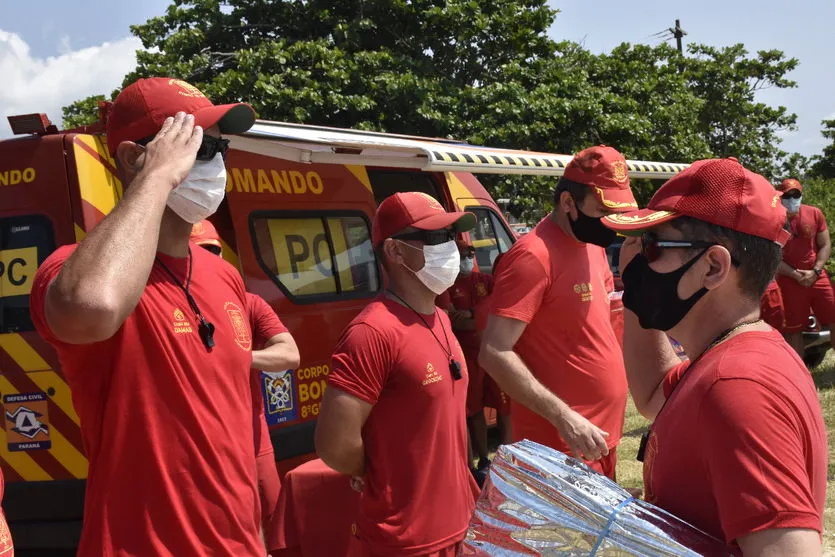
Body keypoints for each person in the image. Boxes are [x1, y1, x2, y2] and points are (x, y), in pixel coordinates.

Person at [29, 77, 265, 556]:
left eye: (219, 146)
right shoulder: (71, 269)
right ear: (134, 158)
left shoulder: (224, 276)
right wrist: (157, 178)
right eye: (196, 145)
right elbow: (90, 308)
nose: (216, 160)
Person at [603, 157, 826, 554]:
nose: (635, 262)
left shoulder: (737, 387)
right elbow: (655, 393)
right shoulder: (729, 358)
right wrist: (640, 293)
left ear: (713, 266)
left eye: (652, 246)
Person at [315, 192, 479, 557]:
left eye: (450, 236)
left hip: (457, 526)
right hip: (405, 542)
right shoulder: (372, 332)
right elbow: (334, 444)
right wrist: (381, 470)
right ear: (395, 251)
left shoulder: (439, 319)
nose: (451, 247)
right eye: (436, 238)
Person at [479, 145, 634, 479]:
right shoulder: (533, 256)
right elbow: (494, 352)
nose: (611, 222)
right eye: (603, 209)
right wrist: (566, 418)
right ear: (568, 203)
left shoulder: (593, 245)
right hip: (563, 442)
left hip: (600, 435)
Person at [191, 221, 301, 554]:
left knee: (272, 519)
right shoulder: (169, 304)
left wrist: (239, 357)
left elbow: (290, 353)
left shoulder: (248, 302)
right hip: (200, 442)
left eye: (213, 251)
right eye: (198, 252)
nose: (208, 260)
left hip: (251, 437)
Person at [444, 236, 511, 485]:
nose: (467, 258)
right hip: (466, 355)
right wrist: (478, 319)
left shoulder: (484, 280)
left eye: (470, 252)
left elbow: (500, 310)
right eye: (462, 253)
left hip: (493, 350)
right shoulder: (447, 285)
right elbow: (451, 320)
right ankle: (482, 460)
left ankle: (509, 460)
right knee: (473, 411)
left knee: (506, 407)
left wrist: (471, 316)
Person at [774, 178, 835, 359]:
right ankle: (800, 375)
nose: (792, 198)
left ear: (801, 195)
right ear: (780, 196)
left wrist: (816, 270)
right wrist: (794, 274)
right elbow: (772, 254)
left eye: (796, 194)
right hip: (788, 279)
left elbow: (825, 244)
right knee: (793, 330)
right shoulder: (773, 219)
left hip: (817, 276)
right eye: (787, 195)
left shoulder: (814, 213)